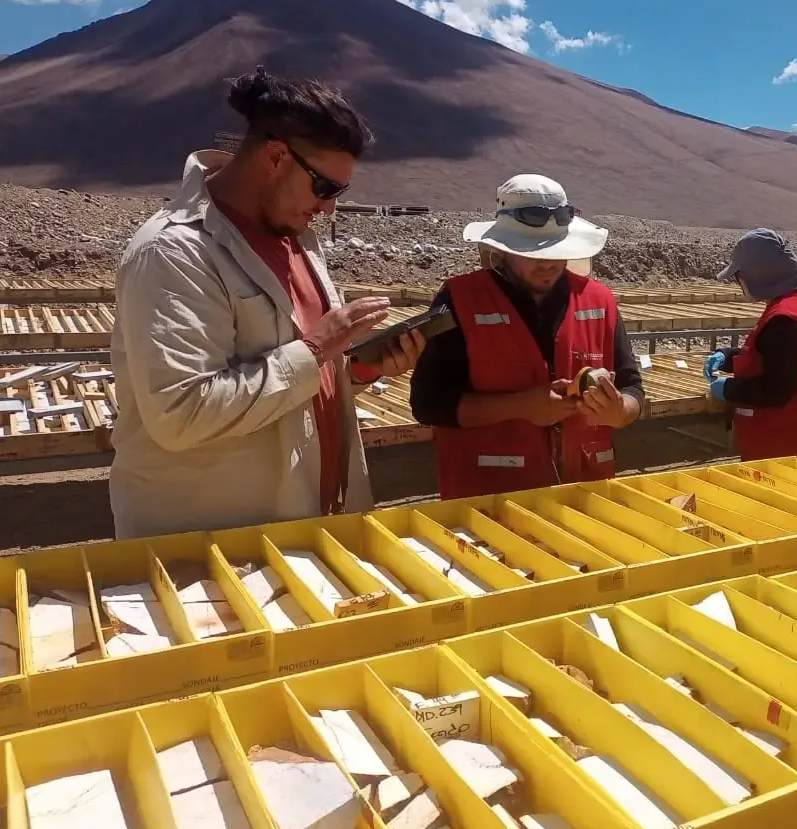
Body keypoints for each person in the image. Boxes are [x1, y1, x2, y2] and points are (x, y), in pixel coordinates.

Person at [110, 67, 423, 539]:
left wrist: (357, 370)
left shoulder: (295, 237)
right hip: (210, 544)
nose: (329, 208)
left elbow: (287, 387)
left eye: (340, 193)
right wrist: (318, 348)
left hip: (299, 527)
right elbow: (181, 413)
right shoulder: (174, 252)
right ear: (276, 156)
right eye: (325, 188)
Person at [410, 174, 644, 499]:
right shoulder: (460, 300)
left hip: (584, 496)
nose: (548, 265)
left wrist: (619, 411)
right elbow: (428, 404)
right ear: (502, 250)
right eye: (533, 254)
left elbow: (632, 387)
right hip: (491, 501)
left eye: (556, 252)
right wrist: (521, 406)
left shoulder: (600, 301)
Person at [704, 228, 797, 460]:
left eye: (738, 276)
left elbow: (776, 389)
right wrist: (728, 357)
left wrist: (729, 389)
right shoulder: (796, 308)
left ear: (757, 274)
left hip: (782, 445)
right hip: (796, 438)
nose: (738, 282)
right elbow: (772, 357)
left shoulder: (785, 321)